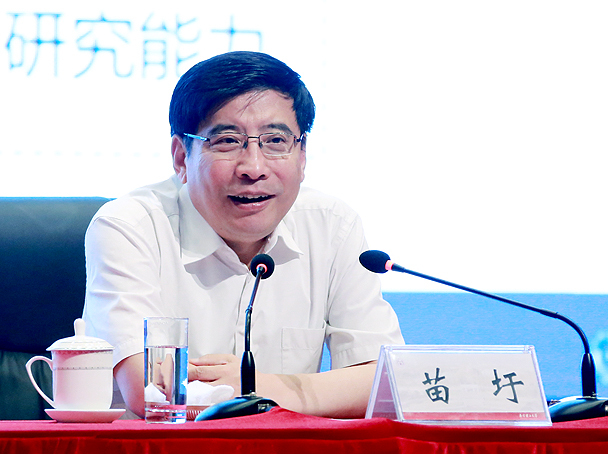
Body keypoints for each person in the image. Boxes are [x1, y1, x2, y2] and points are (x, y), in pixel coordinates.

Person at [82, 51, 404, 419]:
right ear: (181, 158)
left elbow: (382, 382)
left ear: (302, 156)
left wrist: (260, 388)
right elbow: (153, 392)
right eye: (227, 141)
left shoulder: (332, 226)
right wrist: (302, 395)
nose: (253, 167)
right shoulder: (130, 227)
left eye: (276, 141)